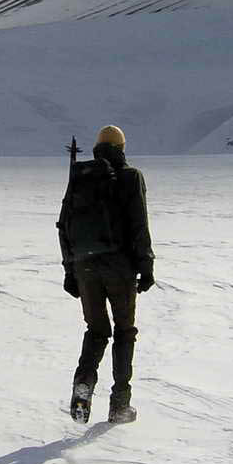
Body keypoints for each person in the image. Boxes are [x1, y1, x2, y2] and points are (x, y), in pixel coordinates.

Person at [59, 125, 154, 425]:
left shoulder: (80, 178)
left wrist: (70, 271)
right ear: (122, 148)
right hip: (119, 268)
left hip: (85, 268)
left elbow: (64, 226)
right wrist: (146, 265)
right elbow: (139, 224)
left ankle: (84, 384)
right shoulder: (130, 177)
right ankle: (119, 405)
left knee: (97, 331)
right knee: (124, 332)